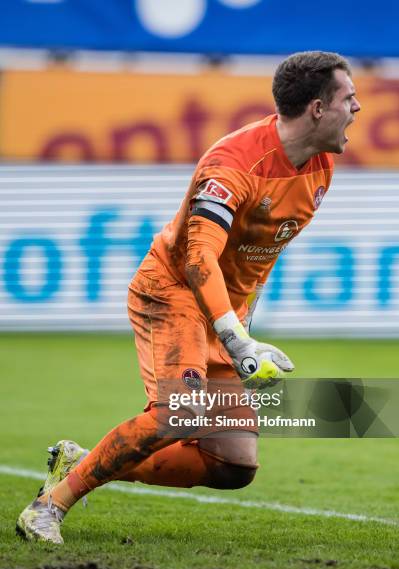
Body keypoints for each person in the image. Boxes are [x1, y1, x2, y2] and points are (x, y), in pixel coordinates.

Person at [17, 51, 360, 544]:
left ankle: (81, 461)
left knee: (233, 465)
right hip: (173, 291)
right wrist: (236, 340)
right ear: (317, 109)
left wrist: (242, 327)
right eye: (349, 97)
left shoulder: (320, 165)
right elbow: (198, 258)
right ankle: (47, 508)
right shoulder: (233, 164)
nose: (359, 107)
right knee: (177, 416)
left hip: (222, 314)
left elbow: (264, 250)